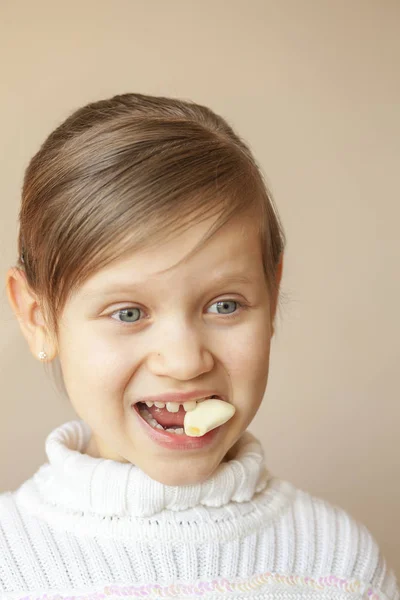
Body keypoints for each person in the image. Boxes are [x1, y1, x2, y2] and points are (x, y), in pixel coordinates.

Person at [1, 92, 398, 599]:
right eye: (128, 313)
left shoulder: (339, 564)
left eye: (225, 305)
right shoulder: (11, 563)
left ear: (271, 296)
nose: (186, 361)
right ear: (39, 319)